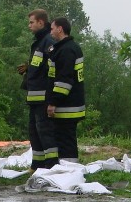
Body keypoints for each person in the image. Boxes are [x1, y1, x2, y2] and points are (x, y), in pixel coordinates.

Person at [17, 9, 58, 171]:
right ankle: (37, 165)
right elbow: (39, 66)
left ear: (41, 22)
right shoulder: (39, 42)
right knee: (35, 133)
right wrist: (28, 68)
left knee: (45, 133)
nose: (29, 26)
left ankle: (52, 166)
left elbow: (51, 70)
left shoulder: (48, 42)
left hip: (43, 97)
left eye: (31, 22)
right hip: (34, 98)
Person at [46, 17, 85, 163]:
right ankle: (68, 170)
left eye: (52, 28)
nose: (50, 32)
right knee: (66, 140)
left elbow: (64, 81)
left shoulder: (66, 50)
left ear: (60, 29)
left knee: (65, 142)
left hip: (67, 106)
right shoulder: (70, 47)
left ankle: (69, 172)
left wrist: (53, 103)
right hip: (71, 104)